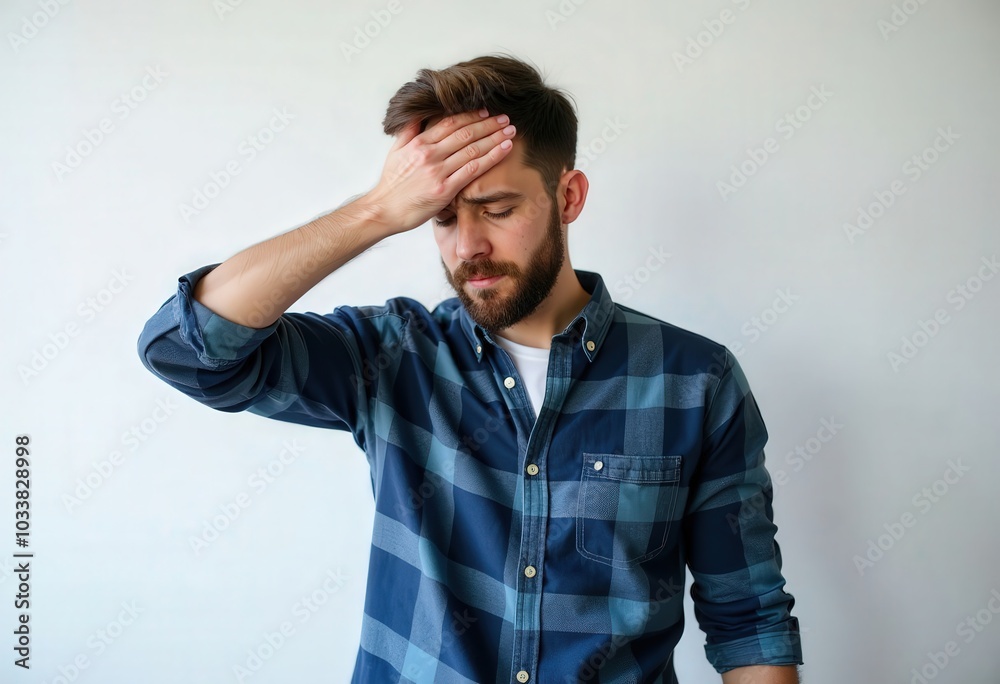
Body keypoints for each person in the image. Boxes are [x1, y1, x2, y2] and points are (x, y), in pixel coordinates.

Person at [137, 54, 803, 683]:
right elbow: (186, 349)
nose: (468, 247)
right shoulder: (391, 356)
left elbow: (750, 620)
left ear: (568, 197)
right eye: (442, 217)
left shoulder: (696, 381)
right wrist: (375, 211)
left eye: (498, 209)